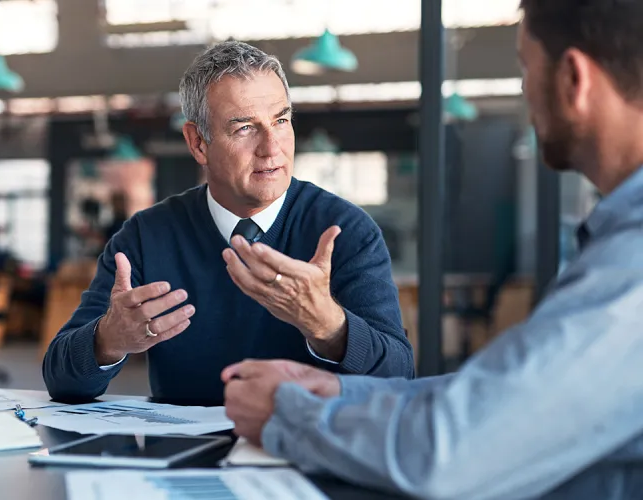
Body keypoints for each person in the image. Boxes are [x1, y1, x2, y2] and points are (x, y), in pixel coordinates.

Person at [222, 1, 643, 498]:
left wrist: (287, 414)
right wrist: (340, 391)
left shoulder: (631, 264)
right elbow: (508, 398)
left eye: (527, 68)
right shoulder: (619, 241)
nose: (525, 90)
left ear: (575, 80)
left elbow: (453, 452)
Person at [43, 41, 414, 404]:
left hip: (304, 450)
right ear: (198, 143)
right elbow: (61, 380)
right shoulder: (145, 237)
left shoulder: (345, 231)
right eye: (245, 128)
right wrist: (107, 339)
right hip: (181, 456)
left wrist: (329, 327)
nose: (272, 148)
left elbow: (399, 377)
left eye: (281, 121)